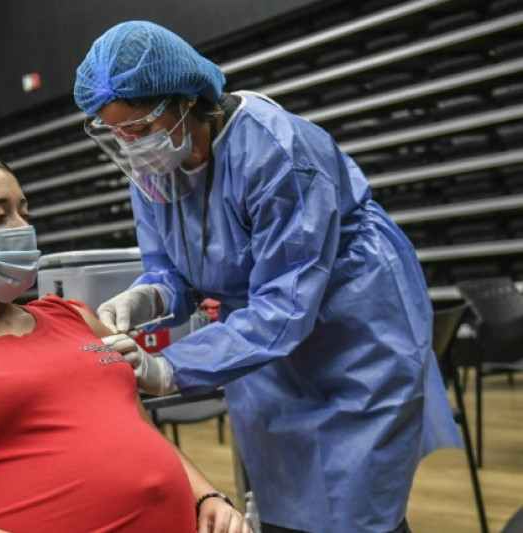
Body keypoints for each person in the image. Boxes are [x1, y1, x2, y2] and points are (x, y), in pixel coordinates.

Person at [73, 21, 462, 533]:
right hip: (259, 336)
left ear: (187, 100)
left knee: (356, 507)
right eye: (117, 134)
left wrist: (168, 369)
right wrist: (151, 294)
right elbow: (174, 267)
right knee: (287, 503)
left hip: (353, 326)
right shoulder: (152, 170)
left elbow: (287, 303)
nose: (132, 147)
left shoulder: (278, 152)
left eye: (141, 129)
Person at [0, 151, 250, 533]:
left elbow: (140, 426)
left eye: (23, 214)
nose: (21, 227)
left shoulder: (74, 316)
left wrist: (206, 496)